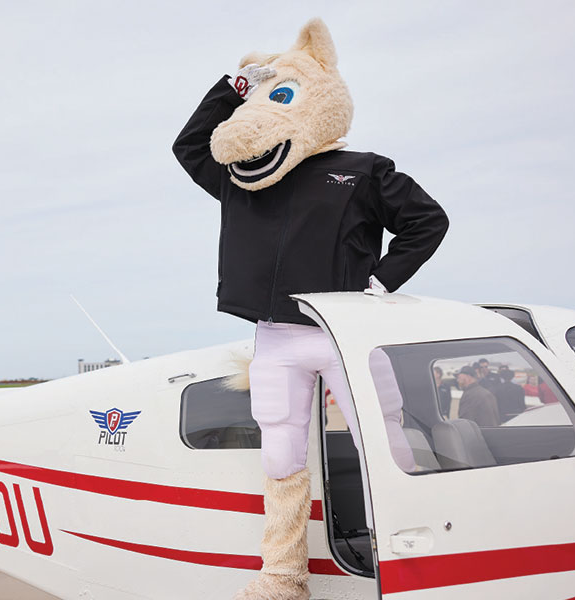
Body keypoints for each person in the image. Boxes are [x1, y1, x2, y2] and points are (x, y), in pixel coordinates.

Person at [172, 18, 449, 599]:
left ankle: (417, 556)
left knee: (386, 438)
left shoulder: (364, 171)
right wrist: (234, 87)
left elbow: (427, 221)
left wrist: (379, 283)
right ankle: (282, 573)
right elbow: (190, 145)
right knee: (281, 454)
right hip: (275, 338)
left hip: (345, 332)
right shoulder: (242, 180)